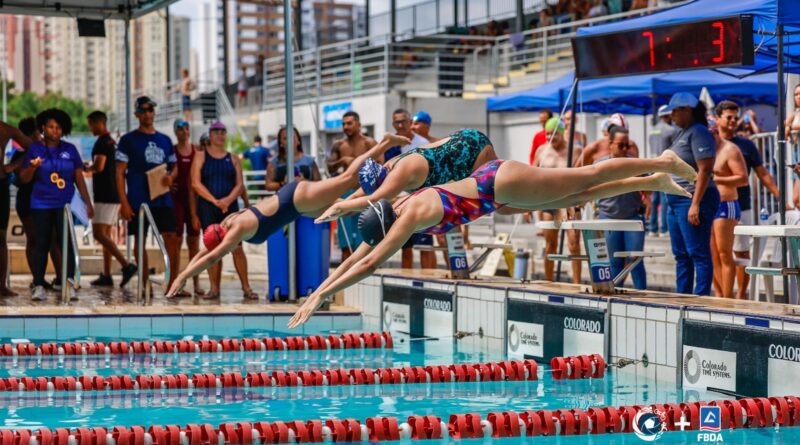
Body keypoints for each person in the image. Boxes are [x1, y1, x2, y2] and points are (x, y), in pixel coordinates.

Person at [288, 151, 696, 327]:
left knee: (584, 178)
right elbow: (358, 257)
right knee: (581, 192)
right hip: (496, 191)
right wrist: (318, 292)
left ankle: (660, 163)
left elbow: (369, 263)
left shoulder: (410, 213)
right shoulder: (400, 208)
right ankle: (655, 180)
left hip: (500, 185)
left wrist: (323, 297)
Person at [165, 133, 409, 297]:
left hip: (296, 198)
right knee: (343, 207)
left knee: (345, 180)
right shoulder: (226, 223)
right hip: (296, 207)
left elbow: (212, 256)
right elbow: (205, 252)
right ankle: (395, 198)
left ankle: (384, 144)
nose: (223, 248)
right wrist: (182, 274)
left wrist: (183, 277)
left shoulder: (236, 229)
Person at [20, 109, 93, 301]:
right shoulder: (35, 149)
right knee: (41, 243)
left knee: (65, 244)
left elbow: (79, 177)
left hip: (65, 205)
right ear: (43, 127)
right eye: (51, 127)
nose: (55, 131)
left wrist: (87, 202)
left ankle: (68, 283)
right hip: (41, 204)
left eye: (59, 127)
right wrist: (33, 167)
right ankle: (38, 284)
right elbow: (24, 178)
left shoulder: (70, 150)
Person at [716, 100, 780, 299]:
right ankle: (719, 294)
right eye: (729, 117)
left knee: (741, 253)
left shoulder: (745, 145)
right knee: (716, 255)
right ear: (718, 118)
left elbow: (763, 173)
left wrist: (780, 197)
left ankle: (741, 295)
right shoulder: (711, 143)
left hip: (740, 207)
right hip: (714, 206)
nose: (734, 121)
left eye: (737, 117)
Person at [116, 96, 179, 292]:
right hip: (138, 199)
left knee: (171, 237)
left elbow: (174, 166)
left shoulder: (165, 140)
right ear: (136, 114)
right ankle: (145, 283)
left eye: (150, 110)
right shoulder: (128, 140)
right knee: (139, 240)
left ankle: (173, 282)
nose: (147, 114)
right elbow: (119, 172)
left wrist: (171, 177)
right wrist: (124, 202)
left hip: (162, 198)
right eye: (143, 110)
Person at [664, 92, 720, 296]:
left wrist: (695, 204)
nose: (672, 116)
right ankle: (683, 296)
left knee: (697, 252)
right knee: (681, 254)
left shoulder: (699, 132)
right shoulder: (683, 132)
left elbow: (705, 169)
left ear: (687, 110)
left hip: (692, 198)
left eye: (674, 111)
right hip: (676, 200)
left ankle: (701, 298)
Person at [582, 125, 649, 289]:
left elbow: (649, 189)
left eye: (628, 145)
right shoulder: (600, 165)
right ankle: (612, 294)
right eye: (621, 145)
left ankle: (645, 298)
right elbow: (585, 184)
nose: (625, 149)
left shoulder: (635, 164)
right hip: (609, 218)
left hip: (632, 217)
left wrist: (644, 189)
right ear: (610, 144)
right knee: (614, 261)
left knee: (636, 260)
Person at [193, 121, 253, 300]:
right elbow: (195, 183)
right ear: (210, 135)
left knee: (237, 247)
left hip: (230, 208)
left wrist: (227, 200)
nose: (220, 134)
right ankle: (214, 289)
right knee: (213, 248)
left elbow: (240, 184)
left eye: (223, 131)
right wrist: (215, 201)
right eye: (216, 131)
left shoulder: (233, 158)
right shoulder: (200, 157)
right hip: (208, 207)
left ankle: (246, 287)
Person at [85, 111, 137, 287]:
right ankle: (107, 275)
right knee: (105, 235)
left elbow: (99, 166)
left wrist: (85, 169)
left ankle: (126, 265)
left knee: (99, 233)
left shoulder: (102, 143)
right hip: (112, 194)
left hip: (105, 195)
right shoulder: (111, 142)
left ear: (99, 123)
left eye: (91, 124)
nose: (90, 128)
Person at [12, 118, 62, 291]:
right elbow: (18, 179)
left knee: (53, 239)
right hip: (28, 202)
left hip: (47, 201)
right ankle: (37, 279)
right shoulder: (21, 155)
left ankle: (60, 278)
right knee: (34, 240)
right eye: (37, 133)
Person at [534, 117, 583, 284]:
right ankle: (549, 282)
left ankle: (576, 283)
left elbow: (584, 176)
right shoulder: (541, 151)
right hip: (549, 203)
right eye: (547, 134)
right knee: (550, 244)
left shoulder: (575, 151)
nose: (549, 138)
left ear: (561, 134)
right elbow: (532, 176)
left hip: (569, 202)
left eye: (553, 134)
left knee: (574, 244)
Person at [327, 111, 377, 260]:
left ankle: (364, 277)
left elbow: (381, 166)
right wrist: (342, 161)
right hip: (346, 195)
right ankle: (345, 278)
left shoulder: (369, 143)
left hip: (365, 193)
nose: (345, 126)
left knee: (365, 241)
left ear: (359, 124)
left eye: (349, 123)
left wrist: (359, 163)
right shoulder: (339, 145)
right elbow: (330, 168)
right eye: (343, 124)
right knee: (345, 243)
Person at [706, 118, 748, 299]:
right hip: (709, 205)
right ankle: (721, 294)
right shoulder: (705, 151)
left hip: (726, 204)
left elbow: (743, 178)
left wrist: (717, 179)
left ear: (715, 133)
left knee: (725, 254)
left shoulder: (730, 150)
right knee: (712, 254)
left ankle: (728, 298)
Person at [0, 120, 34, 296]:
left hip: (0, 185)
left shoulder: (5, 129)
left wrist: (11, 166)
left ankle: (1, 285)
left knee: (0, 237)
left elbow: (34, 147)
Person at [171, 119, 204, 297]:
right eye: (181, 129)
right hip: (177, 200)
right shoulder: (173, 151)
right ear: (176, 132)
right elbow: (165, 173)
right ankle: (176, 282)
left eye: (186, 129)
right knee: (175, 243)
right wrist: (169, 185)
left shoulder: (196, 150)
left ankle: (196, 282)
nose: (184, 132)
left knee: (194, 244)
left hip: (193, 201)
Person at [647, 105, 677, 236]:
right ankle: (664, 228)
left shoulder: (652, 130)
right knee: (665, 199)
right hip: (665, 167)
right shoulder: (671, 130)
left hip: (653, 165)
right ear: (667, 115)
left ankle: (653, 228)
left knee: (654, 199)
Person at [266, 127, 320, 192]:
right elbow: (268, 185)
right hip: (284, 199)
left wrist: (304, 182)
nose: (290, 141)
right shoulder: (274, 163)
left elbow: (319, 183)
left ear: (298, 140)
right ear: (280, 143)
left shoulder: (310, 160)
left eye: (292, 137)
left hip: (306, 199)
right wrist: (282, 183)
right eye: (285, 138)